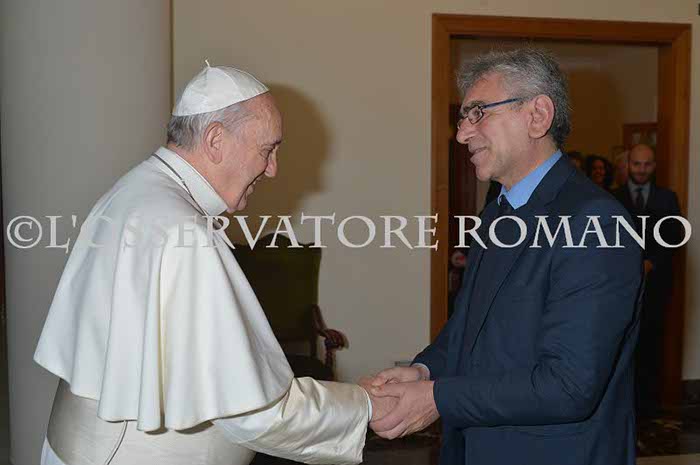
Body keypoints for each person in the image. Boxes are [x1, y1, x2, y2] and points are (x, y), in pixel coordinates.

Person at [33, 64, 396, 465]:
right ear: (216, 140)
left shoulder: (136, 190)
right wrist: (365, 405)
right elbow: (255, 413)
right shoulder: (184, 231)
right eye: (267, 150)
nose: (272, 169)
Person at [368, 48, 642, 465]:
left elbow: (568, 385)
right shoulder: (498, 211)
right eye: (464, 117)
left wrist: (437, 397)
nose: (462, 134)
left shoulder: (596, 221)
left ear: (538, 116)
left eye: (478, 113)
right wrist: (424, 371)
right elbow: (470, 325)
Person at [613, 143, 682, 418]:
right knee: (621, 345)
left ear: (653, 166)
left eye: (646, 164)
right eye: (636, 164)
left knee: (652, 345)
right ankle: (623, 407)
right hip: (620, 286)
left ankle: (649, 408)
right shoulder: (612, 197)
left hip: (655, 286)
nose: (641, 170)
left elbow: (674, 237)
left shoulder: (667, 198)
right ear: (628, 164)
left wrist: (651, 262)